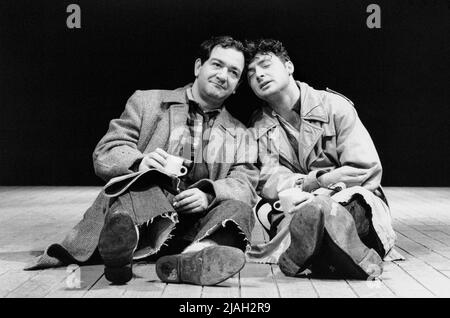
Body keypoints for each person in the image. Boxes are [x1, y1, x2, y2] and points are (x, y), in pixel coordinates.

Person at [25, 36, 259, 286]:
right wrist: (140, 162)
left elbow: (245, 182)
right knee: (138, 184)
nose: (223, 75)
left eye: (233, 72)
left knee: (240, 209)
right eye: (217, 65)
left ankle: (195, 257)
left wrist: (209, 195)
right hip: (145, 211)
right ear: (198, 67)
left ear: (236, 86)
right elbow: (107, 150)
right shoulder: (147, 102)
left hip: (196, 224)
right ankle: (124, 245)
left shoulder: (241, 133)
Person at [245, 38, 396, 280]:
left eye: (265, 65)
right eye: (251, 73)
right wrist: (317, 182)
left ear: (289, 66)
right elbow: (268, 179)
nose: (259, 75)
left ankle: (312, 251)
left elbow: (362, 170)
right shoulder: (258, 125)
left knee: (347, 204)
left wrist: (324, 193)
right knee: (264, 206)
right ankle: (341, 255)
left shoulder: (335, 106)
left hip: (348, 200)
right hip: (296, 206)